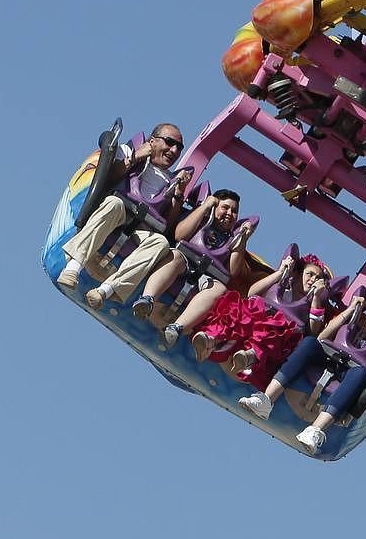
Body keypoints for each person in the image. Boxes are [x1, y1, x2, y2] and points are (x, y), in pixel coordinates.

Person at [239, 279, 366, 454]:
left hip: (350, 372)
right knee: (310, 343)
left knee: (360, 373)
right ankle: (266, 399)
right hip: (328, 356)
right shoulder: (356, 316)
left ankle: (315, 430)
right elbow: (323, 337)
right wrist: (351, 311)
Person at [57, 123, 189, 309]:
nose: (174, 150)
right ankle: (73, 267)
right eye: (169, 142)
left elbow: (168, 224)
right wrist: (135, 157)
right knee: (115, 204)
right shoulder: (130, 151)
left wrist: (178, 193)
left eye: (179, 147)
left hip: (140, 226)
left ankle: (106, 290)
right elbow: (107, 177)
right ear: (153, 141)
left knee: (161, 242)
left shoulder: (171, 180)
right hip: (116, 210)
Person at [171, 253, 333, 388]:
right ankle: (211, 339)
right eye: (309, 274)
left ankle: (249, 357)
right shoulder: (282, 287)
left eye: (317, 278)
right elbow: (252, 293)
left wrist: (317, 298)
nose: (312, 280)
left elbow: (313, 332)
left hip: (274, 341)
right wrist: (279, 273)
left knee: (276, 328)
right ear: (298, 274)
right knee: (242, 308)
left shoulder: (312, 304)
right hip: (250, 327)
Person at [129, 188, 254, 320]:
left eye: (234, 211)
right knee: (176, 256)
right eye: (225, 208)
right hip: (183, 262)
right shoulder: (199, 219)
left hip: (205, 277)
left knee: (219, 289)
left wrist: (243, 237)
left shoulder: (231, 240)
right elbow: (179, 235)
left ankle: (178, 326)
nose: (229, 213)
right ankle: (147, 299)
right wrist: (205, 206)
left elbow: (233, 271)